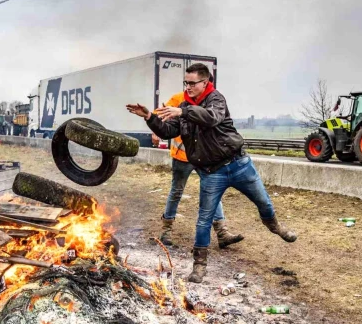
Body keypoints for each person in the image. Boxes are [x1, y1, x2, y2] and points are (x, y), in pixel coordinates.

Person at [127, 63, 296, 284]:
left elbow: (211, 118)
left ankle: (275, 226)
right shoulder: (184, 106)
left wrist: (183, 110)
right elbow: (168, 130)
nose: (187, 87)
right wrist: (149, 116)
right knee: (203, 221)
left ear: (205, 83)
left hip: (238, 165)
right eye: (185, 83)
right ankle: (199, 265)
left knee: (264, 203)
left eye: (192, 83)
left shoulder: (216, 100)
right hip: (211, 173)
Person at [153, 88, 243, 249]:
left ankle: (222, 232)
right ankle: (166, 229)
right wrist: (156, 130)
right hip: (183, 155)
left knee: (213, 191)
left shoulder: (211, 99)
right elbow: (159, 114)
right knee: (176, 192)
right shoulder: (178, 98)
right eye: (189, 83)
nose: (192, 87)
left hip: (205, 157)